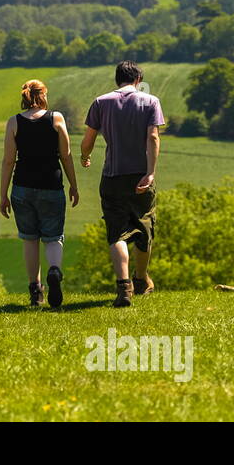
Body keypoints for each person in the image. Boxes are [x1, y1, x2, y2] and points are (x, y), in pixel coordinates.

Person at [80, 61, 165, 308]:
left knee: (116, 232)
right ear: (138, 78)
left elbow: (88, 140)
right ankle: (141, 278)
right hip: (140, 175)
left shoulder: (100, 102)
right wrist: (150, 173)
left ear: (117, 79)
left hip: (112, 176)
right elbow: (152, 136)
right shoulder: (151, 102)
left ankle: (124, 286)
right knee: (145, 227)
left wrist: (85, 157)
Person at [0, 79, 80, 308]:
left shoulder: (13, 123)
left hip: (23, 187)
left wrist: (3, 194)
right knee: (53, 237)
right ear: (44, 95)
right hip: (51, 186)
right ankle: (54, 270)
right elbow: (66, 155)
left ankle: (36, 291)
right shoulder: (56, 118)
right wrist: (73, 184)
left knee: (30, 238)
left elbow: (8, 161)